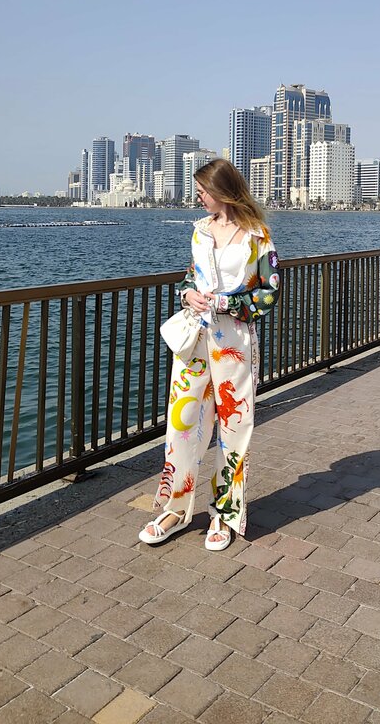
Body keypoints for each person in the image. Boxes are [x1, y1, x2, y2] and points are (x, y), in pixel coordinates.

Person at [139, 158, 280, 551]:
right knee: (181, 424)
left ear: (223, 189)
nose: (197, 196)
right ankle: (174, 507)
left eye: (203, 189)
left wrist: (223, 302)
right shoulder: (199, 231)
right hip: (195, 340)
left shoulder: (257, 235)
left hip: (235, 343)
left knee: (234, 430)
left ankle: (226, 513)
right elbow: (190, 276)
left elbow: (269, 292)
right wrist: (186, 293)